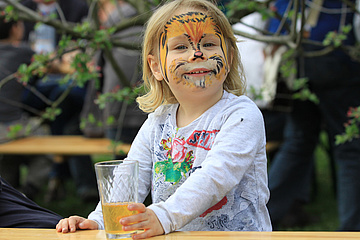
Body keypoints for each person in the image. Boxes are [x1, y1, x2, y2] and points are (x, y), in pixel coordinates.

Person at [56, 0, 272, 238]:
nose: (197, 54)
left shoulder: (241, 115)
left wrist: (163, 216)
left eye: (209, 44)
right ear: (156, 66)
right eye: (180, 47)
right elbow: (130, 177)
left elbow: (216, 177)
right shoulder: (158, 121)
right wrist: (99, 221)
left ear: (228, 58)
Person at [266, 0, 360, 230]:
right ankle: (351, 230)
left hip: (293, 52)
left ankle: (261, 219)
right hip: (334, 52)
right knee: (350, 147)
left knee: (299, 141)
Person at [20, 0, 98, 202]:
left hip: (69, 82)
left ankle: (57, 176)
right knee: (66, 114)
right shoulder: (22, 8)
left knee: (62, 101)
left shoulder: (76, 8)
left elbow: (80, 52)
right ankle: (73, 181)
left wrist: (57, 64)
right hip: (34, 83)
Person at [0, 14, 54, 200]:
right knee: (46, 141)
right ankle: (28, 191)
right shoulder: (22, 52)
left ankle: (9, 192)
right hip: (10, 126)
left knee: (11, 152)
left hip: (7, 128)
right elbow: (52, 66)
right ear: (15, 28)